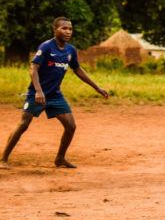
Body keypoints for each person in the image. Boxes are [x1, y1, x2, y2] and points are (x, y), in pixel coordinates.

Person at [1, 17, 109, 169]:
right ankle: (3, 159)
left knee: (71, 126)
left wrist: (97, 87)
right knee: (24, 124)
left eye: (70, 29)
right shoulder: (46, 47)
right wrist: (38, 91)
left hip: (55, 95)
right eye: (64, 28)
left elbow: (77, 69)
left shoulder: (71, 50)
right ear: (55, 29)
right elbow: (33, 68)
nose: (68, 31)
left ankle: (60, 159)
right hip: (36, 94)